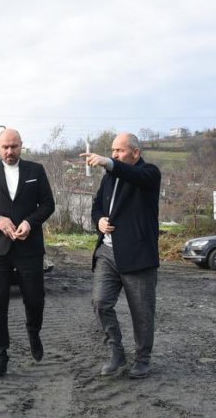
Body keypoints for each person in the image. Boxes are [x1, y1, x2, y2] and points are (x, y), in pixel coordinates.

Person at [0, 129, 55, 377]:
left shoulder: (35, 171)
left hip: (29, 247)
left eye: (14, 146)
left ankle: (33, 332)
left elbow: (48, 204)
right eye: (5, 147)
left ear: (21, 146)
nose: (9, 151)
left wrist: (30, 222)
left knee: (35, 298)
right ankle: (0, 357)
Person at [81, 132, 161, 379]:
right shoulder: (109, 178)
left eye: (119, 151)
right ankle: (116, 351)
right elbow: (97, 207)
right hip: (107, 251)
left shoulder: (149, 173)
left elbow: (133, 175)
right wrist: (99, 221)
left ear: (135, 153)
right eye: (112, 151)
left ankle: (143, 359)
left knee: (142, 312)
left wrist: (109, 163)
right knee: (100, 303)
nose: (114, 154)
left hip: (137, 255)